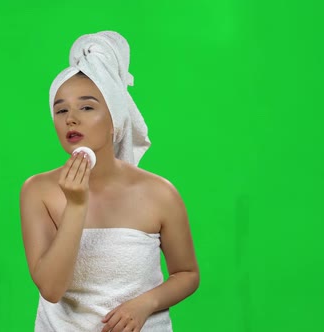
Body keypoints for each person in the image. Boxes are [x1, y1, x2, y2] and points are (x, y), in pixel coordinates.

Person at [19, 31, 199, 332]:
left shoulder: (159, 193)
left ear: (115, 114)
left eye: (87, 107)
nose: (71, 119)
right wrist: (76, 206)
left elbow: (187, 273)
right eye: (60, 109)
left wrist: (145, 304)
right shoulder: (38, 191)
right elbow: (50, 288)